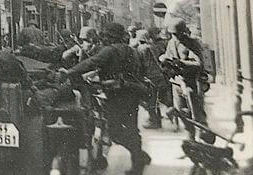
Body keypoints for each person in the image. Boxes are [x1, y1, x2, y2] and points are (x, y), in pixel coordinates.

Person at [64, 22, 151, 175]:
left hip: (117, 96)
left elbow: (91, 63)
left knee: (114, 132)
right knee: (131, 129)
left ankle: (139, 156)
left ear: (109, 37)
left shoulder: (110, 51)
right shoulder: (131, 51)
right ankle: (138, 163)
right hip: (133, 93)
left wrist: (70, 72)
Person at [159, 18, 208, 131]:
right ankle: (191, 138)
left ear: (183, 32)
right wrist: (164, 60)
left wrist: (182, 62)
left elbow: (198, 64)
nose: (175, 36)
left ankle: (203, 135)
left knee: (196, 112)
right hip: (177, 82)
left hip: (191, 82)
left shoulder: (192, 43)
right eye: (172, 34)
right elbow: (168, 57)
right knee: (181, 112)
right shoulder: (171, 43)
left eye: (177, 34)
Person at [135, 28, 165, 129]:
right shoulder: (153, 47)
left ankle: (154, 120)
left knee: (148, 100)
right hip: (158, 76)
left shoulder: (141, 48)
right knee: (154, 99)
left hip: (148, 77)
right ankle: (157, 119)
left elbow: (140, 64)